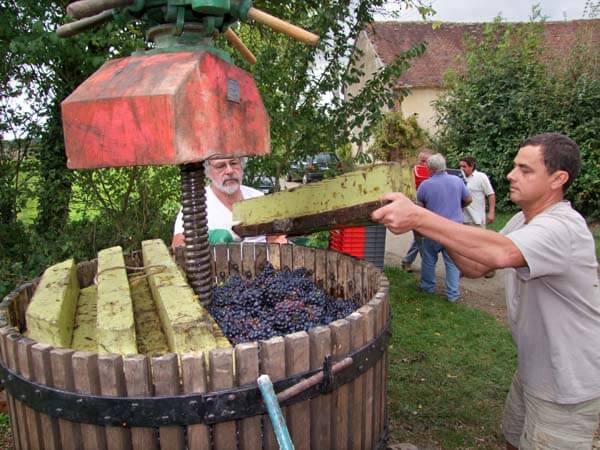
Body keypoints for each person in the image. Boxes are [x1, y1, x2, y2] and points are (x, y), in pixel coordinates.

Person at [372, 133, 600, 449]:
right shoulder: (524, 220)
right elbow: (478, 267)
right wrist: (425, 226)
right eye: (514, 166)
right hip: (534, 370)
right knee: (512, 439)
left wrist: (420, 215)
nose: (511, 174)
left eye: (525, 169)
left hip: (567, 383)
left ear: (557, 179)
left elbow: (501, 254)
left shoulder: (563, 228)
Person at [172, 156, 286, 249]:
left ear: (241, 166)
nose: (230, 171)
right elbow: (177, 246)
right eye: (220, 166)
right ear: (208, 172)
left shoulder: (258, 198)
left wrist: (278, 242)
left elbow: (275, 238)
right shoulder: (196, 204)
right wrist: (207, 238)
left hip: (261, 273)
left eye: (234, 163)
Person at [415, 153, 472, 302]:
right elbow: (469, 199)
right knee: (452, 262)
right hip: (454, 229)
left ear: (430, 169)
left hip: (433, 229)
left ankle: (427, 287)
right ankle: (453, 294)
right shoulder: (457, 181)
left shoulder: (425, 185)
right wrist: (458, 206)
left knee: (428, 259)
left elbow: (419, 209)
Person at [459, 155, 496, 277]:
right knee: (464, 246)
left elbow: (491, 194)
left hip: (477, 217)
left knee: (481, 245)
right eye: (460, 166)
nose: (461, 168)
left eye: (464, 166)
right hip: (463, 217)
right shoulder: (458, 178)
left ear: (472, 166)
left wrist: (491, 212)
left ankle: (490, 268)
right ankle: (466, 269)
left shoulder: (481, 177)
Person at [401, 150, 432, 272]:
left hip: (427, 210)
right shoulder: (414, 172)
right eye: (421, 160)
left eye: (426, 161)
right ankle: (428, 267)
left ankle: (407, 261)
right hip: (417, 210)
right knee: (421, 238)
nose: (423, 163)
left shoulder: (431, 173)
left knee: (420, 238)